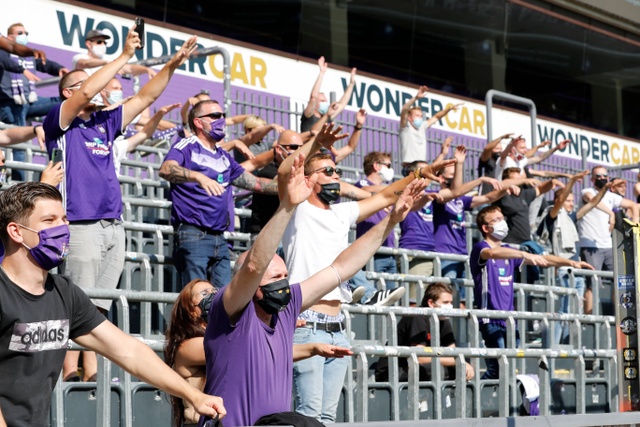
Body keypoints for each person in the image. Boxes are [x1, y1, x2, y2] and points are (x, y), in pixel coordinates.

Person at [198, 150, 427, 427]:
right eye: (274, 278)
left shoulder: (287, 307)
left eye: (285, 275)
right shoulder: (230, 310)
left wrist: (390, 221)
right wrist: (287, 207)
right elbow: (254, 265)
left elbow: (341, 268)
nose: (283, 283)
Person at [0, 182, 226, 427]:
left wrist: (194, 395)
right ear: (16, 231)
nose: (63, 228)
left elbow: (129, 352)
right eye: (49, 220)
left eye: (64, 219)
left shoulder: (64, 292)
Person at [42, 25, 197, 382]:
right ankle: (68, 373)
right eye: (86, 81)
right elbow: (85, 95)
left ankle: (91, 373)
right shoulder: (61, 120)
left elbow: (143, 98)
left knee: (98, 308)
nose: (95, 86)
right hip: (79, 222)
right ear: (68, 91)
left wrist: (171, 66)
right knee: (76, 299)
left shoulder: (104, 122)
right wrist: (125, 57)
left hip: (114, 225)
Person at [281, 132, 454, 422]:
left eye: (337, 171)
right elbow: (287, 170)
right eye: (328, 171)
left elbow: (387, 195)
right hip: (305, 323)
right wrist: (317, 142)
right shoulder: (294, 208)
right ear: (308, 178)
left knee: (326, 416)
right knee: (308, 414)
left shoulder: (341, 212)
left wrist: (420, 173)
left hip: (337, 326)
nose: (336, 176)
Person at [160, 101, 346, 290]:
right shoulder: (187, 145)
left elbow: (257, 183)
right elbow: (166, 169)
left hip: (220, 238)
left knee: (223, 302)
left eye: (223, 115)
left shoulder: (223, 156)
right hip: (193, 234)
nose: (222, 120)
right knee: (195, 299)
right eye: (215, 116)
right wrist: (198, 176)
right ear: (198, 122)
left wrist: (296, 185)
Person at [164, 278, 352, 427]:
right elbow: (247, 351)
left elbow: (257, 351)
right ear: (189, 310)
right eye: (204, 294)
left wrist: (313, 348)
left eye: (214, 291)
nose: (213, 295)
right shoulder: (187, 346)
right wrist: (279, 334)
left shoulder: (226, 336)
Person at [470, 205, 594, 379]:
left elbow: (543, 259)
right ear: (485, 228)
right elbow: (491, 253)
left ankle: (504, 404)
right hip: (490, 318)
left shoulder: (509, 251)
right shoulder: (481, 248)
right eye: (496, 220)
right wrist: (523, 254)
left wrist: (570, 263)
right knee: (496, 369)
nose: (502, 223)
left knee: (509, 369)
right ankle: (476, 399)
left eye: (502, 218)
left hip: (510, 319)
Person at [541, 171, 613, 344]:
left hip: (577, 271)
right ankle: (553, 348)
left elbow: (593, 203)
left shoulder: (572, 217)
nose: (571, 204)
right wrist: (572, 182)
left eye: (573, 201)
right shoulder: (553, 215)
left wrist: (605, 189)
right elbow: (558, 202)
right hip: (564, 270)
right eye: (568, 201)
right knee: (565, 311)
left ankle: (570, 347)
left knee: (575, 313)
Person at [374, 283, 475, 382]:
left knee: (461, 368)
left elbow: (452, 350)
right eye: (445, 302)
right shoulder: (417, 317)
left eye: (451, 302)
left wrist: (460, 363)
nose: (450, 306)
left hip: (415, 368)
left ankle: (450, 398)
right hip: (393, 371)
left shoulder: (443, 319)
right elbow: (420, 358)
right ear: (431, 303)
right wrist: (457, 361)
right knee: (437, 369)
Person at [578, 166, 639, 314]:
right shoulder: (587, 191)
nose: (602, 178)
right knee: (592, 284)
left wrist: (635, 225)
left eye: (605, 175)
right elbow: (593, 201)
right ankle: (589, 319)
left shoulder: (612, 197)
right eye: (598, 176)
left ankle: (618, 316)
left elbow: (632, 205)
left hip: (608, 246)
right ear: (592, 179)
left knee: (620, 282)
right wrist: (610, 213)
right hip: (590, 246)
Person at [0, 23, 68, 127]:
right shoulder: (3, 53)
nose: (24, 35)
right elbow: (5, 61)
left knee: (63, 101)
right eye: (20, 33)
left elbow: (44, 63)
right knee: (19, 135)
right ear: (9, 37)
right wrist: (22, 70)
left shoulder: (28, 55)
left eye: (25, 33)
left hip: (30, 102)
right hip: (10, 104)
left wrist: (59, 69)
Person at [398, 85, 462, 173]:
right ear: (409, 118)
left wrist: (449, 109)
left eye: (421, 116)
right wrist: (416, 98)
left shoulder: (422, 126)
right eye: (417, 116)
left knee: (423, 184)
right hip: (410, 167)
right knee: (415, 184)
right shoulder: (405, 127)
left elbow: (436, 117)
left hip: (422, 166)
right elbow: (404, 109)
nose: (420, 118)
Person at [299, 56, 357, 133]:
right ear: (315, 103)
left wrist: (351, 84)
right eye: (322, 101)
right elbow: (313, 97)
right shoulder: (308, 115)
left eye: (326, 101)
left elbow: (342, 104)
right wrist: (322, 73)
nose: (326, 103)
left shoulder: (326, 116)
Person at [72, 29, 156, 80]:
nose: (103, 45)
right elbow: (84, 63)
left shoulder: (108, 60)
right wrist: (105, 63)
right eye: (99, 42)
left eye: (104, 42)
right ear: (89, 44)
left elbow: (129, 68)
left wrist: (146, 70)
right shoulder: (79, 57)